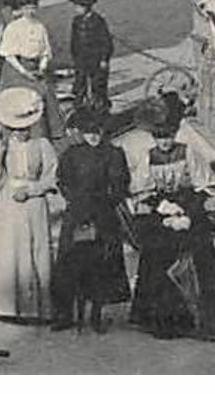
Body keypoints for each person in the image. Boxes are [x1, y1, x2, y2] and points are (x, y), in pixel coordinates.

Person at [129, 107, 215, 340]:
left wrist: (188, 212)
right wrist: (163, 208)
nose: (164, 142)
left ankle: (204, 320)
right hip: (162, 213)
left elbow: (204, 185)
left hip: (189, 211)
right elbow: (141, 190)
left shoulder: (188, 153)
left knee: (197, 260)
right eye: (159, 137)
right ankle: (164, 321)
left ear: (175, 134)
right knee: (157, 258)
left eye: (168, 136)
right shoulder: (148, 157)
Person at [0, 87, 59, 322]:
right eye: (16, 130)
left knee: (36, 249)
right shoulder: (4, 147)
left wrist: (34, 190)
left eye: (25, 129)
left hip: (34, 202)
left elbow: (53, 175)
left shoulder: (42, 144)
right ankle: (5, 306)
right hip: (9, 202)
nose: (21, 134)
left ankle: (38, 308)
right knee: (9, 250)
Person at [51, 107, 131, 332]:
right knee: (67, 263)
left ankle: (97, 312)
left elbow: (121, 185)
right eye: (88, 132)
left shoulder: (114, 153)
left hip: (103, 214)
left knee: (101, 265)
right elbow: (62, 181)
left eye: (97, 131)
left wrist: (104, 203)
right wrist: (75, 201)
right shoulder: (72, 154)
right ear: (81, 133)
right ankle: (64, 313)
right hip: (76, 214)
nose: (94, 136)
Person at [0, 0, 63, 139]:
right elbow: (8, 54)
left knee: (45, 93)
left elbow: (45, 51)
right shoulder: (13, 27)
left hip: (35, 67)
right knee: (16, 97)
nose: (30, 12)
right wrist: (24, 71)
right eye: (27, 8)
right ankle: (11, 134)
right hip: (16, 68)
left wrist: (42, 66)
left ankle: (48, 133)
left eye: (33, 8)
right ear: (21, 9)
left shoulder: (40, 27)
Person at [68, 0, 113, 115]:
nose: (76, 9)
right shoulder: (76, 21)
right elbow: (74, 40)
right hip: (82, 58)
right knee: (80, 83)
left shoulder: (98, 21)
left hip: (96, 58)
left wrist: (104, 59)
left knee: (98, 85)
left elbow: (106, 42)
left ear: (86, 7)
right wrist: (74, 57)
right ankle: (78, 107)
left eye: (78, 7)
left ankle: (102, 108)